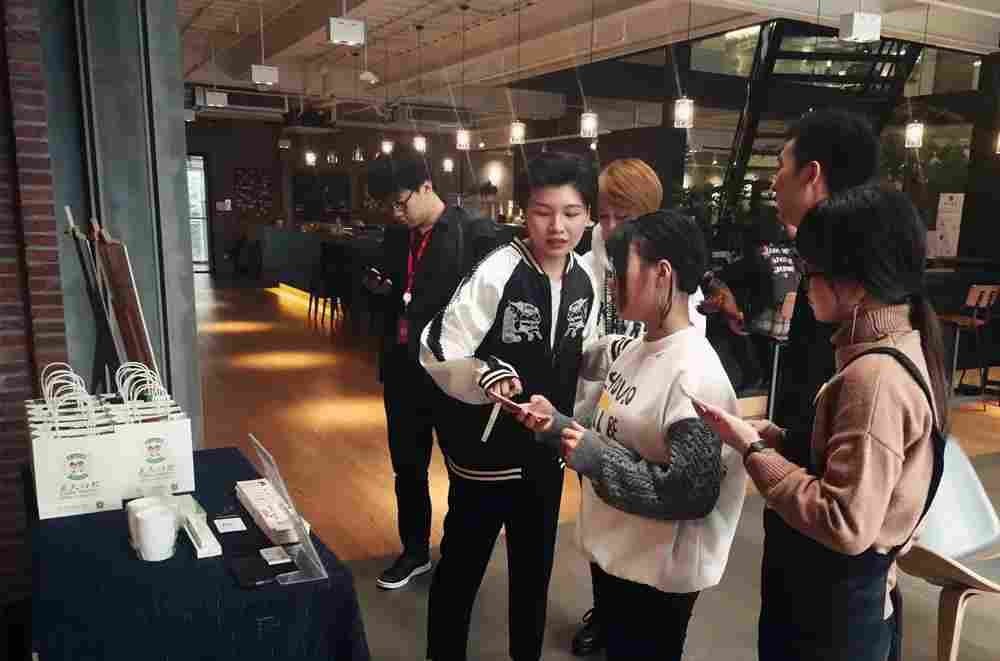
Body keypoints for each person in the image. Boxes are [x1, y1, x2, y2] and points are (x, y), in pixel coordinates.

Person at [692, 185, 949, 661]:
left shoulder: (874, 378)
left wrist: (754, 453)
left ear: (857, 281)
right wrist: (781, 440)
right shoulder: (900, 346)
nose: (802, 285)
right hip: (849, 607)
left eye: (811, 271)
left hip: (833, 621)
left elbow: (844, 521)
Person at [514, 210, 746, 661]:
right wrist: (558, 425)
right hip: (621, 557)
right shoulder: (638, 349)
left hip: (656, 577)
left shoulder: (693, 375)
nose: (613, 284)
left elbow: (689, 493)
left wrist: (596, 458)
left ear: (663, 275)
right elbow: (612, 435)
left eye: (623, 272)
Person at [419, 151, 599, 661]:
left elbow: (583, 354)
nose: (557, 227)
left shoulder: (585, 279)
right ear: (525, 211)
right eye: (543, 212)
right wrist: (487, 375)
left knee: (533, 575)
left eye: (571, 213)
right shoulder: (498, 270)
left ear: (588, 215)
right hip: (484, 458)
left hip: (545, 454)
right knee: (461, 569)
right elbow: (438, 348)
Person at [570, 158, 707, 656]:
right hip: (599, 418)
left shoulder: (688, 350)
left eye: (622, 217)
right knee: (603, 520)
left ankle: (620, 616)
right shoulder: (586, 269)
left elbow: (686, 490)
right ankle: (605, 611)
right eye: (603, 216)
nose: (609, 228)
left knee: (638, 533)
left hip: (643, 429)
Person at [364, 146, 500, 590]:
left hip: (450, 375)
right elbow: (393, 293)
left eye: (400, 202)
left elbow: (490, 308)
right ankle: (415, 551)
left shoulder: (474, 234)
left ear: (426, 187)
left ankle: (460, 553)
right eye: (388, 206)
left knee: (462, 470)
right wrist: (379, 289)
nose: (395, 213)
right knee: (408, 467)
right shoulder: (395, 236)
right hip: (402, 371)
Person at [769, 108, 880, 451]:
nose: (773, 182)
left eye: (780, 167)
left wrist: (761, 454)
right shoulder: (854, 258)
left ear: (811, 175)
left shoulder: (840, 282)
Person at [716, 217, 800, 390]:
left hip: (770, 325)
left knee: (726, 324)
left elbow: (729, 275)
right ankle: (765, 374)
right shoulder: (788, 253)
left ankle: (751, 375)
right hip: (790, 323)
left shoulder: (757, 254)